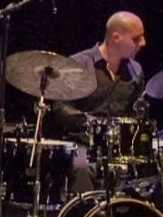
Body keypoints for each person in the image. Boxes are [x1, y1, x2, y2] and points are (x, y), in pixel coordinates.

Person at [47, 11, 148, 194]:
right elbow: (60, 106)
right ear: (116, 38)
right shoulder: (78, 64)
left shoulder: (136, 71)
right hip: (82, 142)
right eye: (136, 39)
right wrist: (92, 124)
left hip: (120, 147)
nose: (143, 43)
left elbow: (136, 111)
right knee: (84, 168)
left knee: (159, 167)